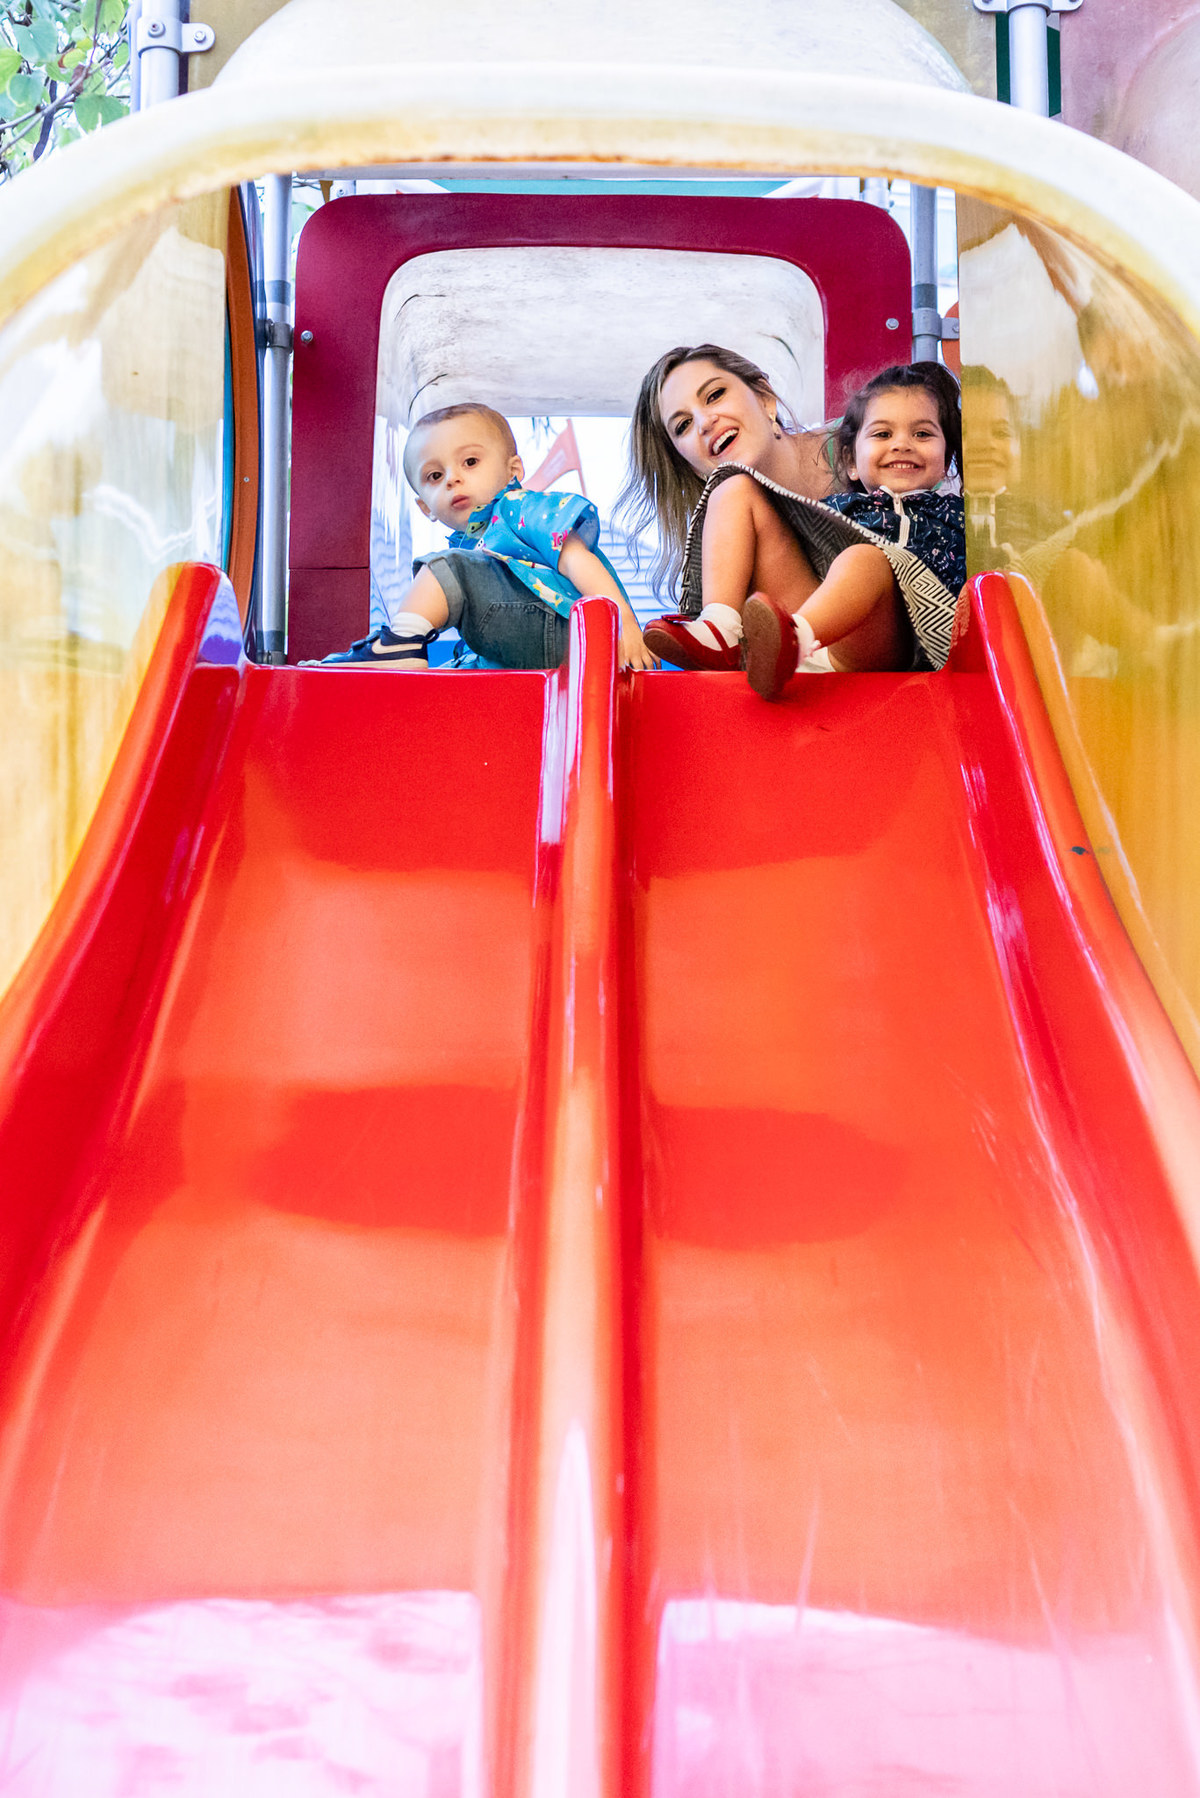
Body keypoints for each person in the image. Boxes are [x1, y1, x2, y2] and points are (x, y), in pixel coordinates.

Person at [625, 346, 965, 698]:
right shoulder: (738, 516)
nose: (704, 422)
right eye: (682, 425)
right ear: (687, 461)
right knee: (733, 488)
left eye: (715, 395)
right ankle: (721, 629)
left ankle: (793, 638)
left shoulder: (867, 447)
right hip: (810, 644)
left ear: (765, 398)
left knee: (862, 558)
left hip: (885, 641)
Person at [312, 403, 655, 670]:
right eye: (434, 475)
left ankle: (398, 643)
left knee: (447, 569)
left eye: (470, 461)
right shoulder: (471, 545)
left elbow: (577, 559)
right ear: (424, 507)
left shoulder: (520, 506)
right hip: (526, 645)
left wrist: (624, 622)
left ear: (513, 471)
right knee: (454, 669)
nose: (452, 479)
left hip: (567, 631)